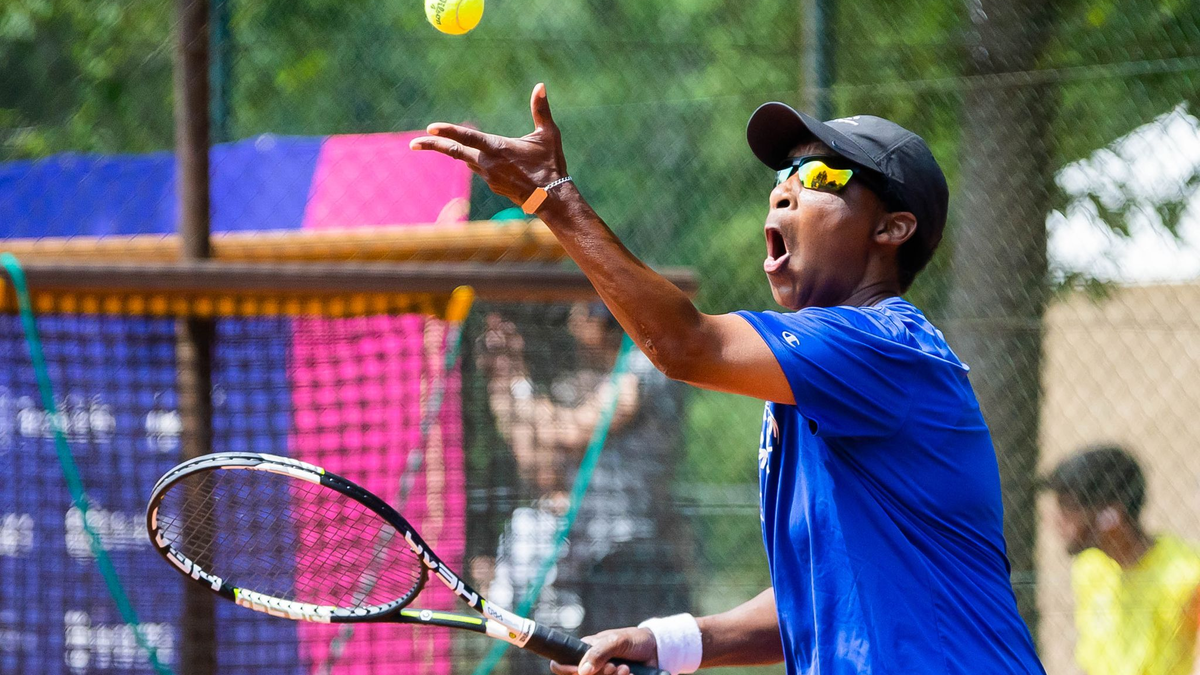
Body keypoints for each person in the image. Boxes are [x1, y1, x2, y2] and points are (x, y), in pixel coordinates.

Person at [412, 84, 1046, 675]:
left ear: (891, 228)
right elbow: (813, 592)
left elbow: (684, 344)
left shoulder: (883, 345)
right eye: (781, 176)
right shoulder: (813, 387)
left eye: (821, 176)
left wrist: (550, 194)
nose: (783, 191)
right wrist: (668, 641)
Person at [474, 302, 690, 663]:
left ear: (602, 320)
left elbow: (571, 430)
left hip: (635, 553)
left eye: (579, 314)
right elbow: (535, 459)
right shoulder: (585, 383)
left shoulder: (645, 364)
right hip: (592, 560)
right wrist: (505, 377)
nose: (572, 323)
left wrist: (518, 386)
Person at [1044, 445, 1200, 675]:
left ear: (1111, 515)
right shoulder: (1089, 569)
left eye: (1069, 507)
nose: (1057, 519)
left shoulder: (1187, 575)